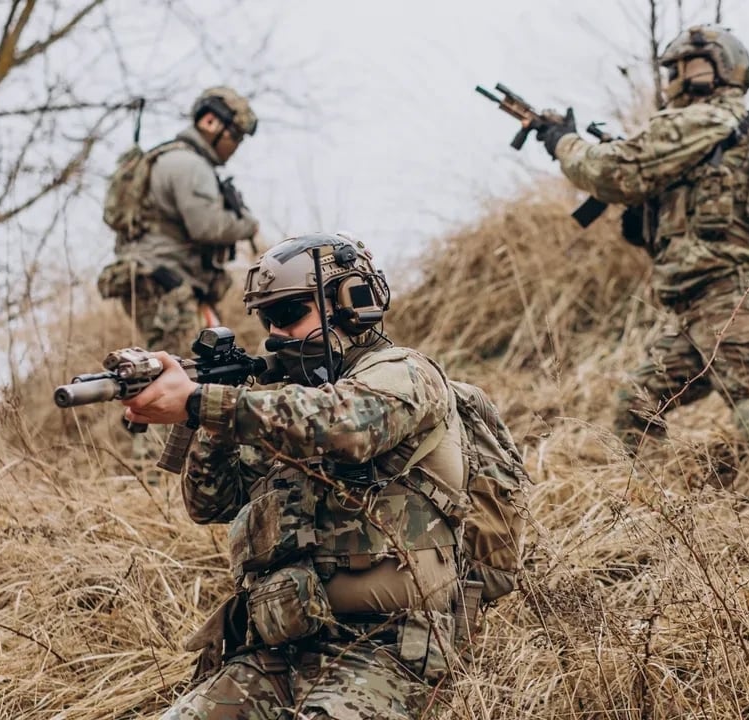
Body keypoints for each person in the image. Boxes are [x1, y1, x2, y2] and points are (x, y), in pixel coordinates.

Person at [123, 233, 470, 719]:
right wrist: (210, 419)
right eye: (267, 319)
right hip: (279, 651)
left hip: (388, 649)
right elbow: (210, 503)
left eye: (288, 313)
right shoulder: (279, 405)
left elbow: (347, 425)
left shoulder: (405, 373)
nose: (275, 334)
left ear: (352, 303)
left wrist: (207, 402)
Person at [535, 25, 749, 479]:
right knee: (637, 403)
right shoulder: (729, 133)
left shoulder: (708, 119)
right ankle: (656, 505)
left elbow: (615, 170)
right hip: (702, 305)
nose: (676, 78)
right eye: (674, 68)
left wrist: (563, 142)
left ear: (718, 69)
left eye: (686, 66)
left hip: (731, 297)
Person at [98, 86, 265, 356]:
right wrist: (247, 224)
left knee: (191, 363)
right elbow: (207, 226)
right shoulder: (190, 165)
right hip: (167, 283)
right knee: (182, 367)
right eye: (234, 135)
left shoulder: (171, 158)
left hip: (159, 278)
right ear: (209, 122)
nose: (236, 145)